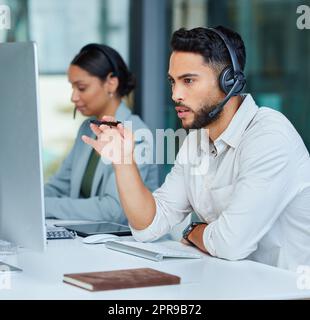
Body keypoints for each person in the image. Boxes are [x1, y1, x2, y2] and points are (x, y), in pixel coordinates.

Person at [82, 27, 310, 271]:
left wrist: (193, 230)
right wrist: (123, 161)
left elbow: (231, 244)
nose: (175, 94)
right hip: (235, 283)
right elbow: (149, 226)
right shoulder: (196, 141)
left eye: (188, 81)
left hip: (289, 291)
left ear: (229, 81)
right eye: (173, 82)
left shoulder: (269, 137)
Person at [44, 43, 158, 222]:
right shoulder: (87, 128)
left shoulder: (137, 134)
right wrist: (28, 201)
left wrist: (45, 207)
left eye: (81, 88)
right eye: (72, 87)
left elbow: (113, 210)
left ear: (111, 83)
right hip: (88, 237)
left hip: (125, 242)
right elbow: (60, 186)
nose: (73, 97)